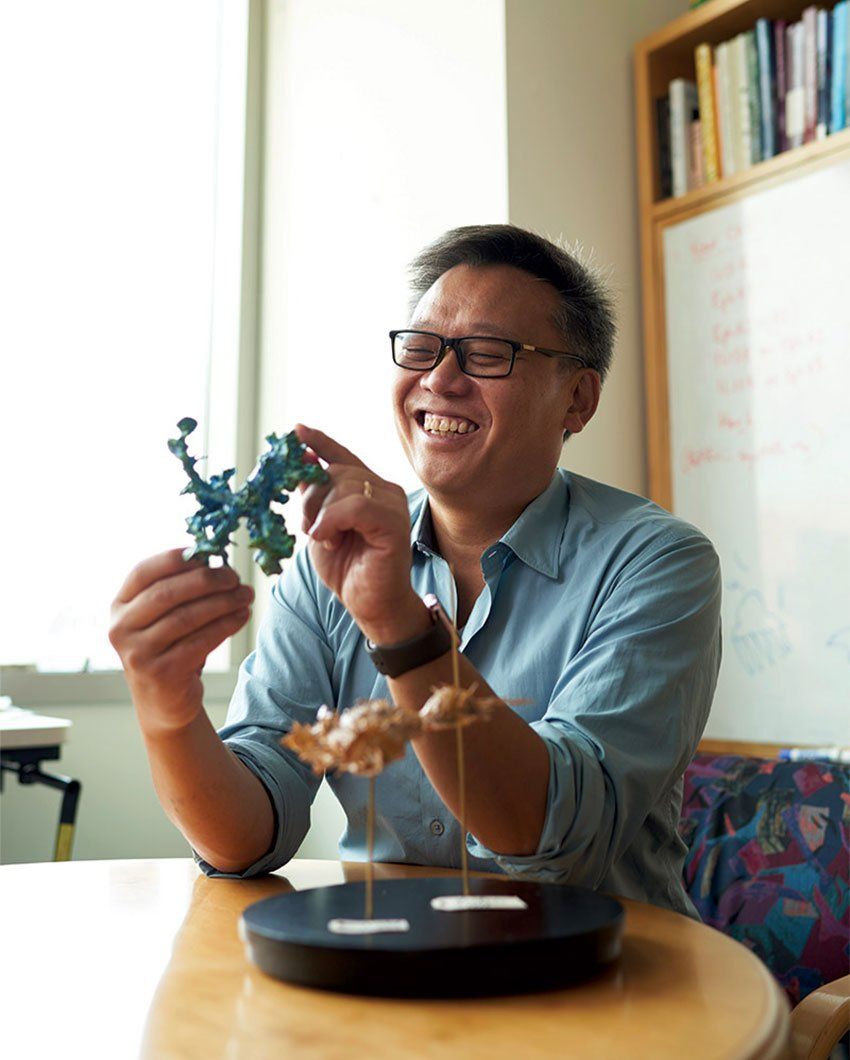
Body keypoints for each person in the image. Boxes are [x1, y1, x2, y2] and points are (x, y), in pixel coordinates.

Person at [109, 224, 721, 917]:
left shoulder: (658, 563)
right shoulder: (327, 561)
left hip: (607, 979)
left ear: (577, 399)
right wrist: (169, 713)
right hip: (389, 967)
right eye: (422, 347)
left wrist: (397, 621)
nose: (439, 379)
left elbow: (549, 835)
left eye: (487, 353)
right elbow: (247, 836)